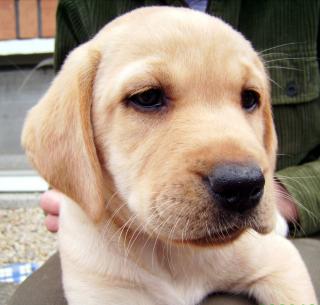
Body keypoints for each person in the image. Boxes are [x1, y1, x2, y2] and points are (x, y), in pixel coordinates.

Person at [9, 1, 320, 304]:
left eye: (249, 98)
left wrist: (286, 197)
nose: (237, 172)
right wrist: (71, 182)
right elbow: (65, 135)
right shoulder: (84, 9)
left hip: (294, 224)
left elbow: (278, 266)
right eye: (148, 97)